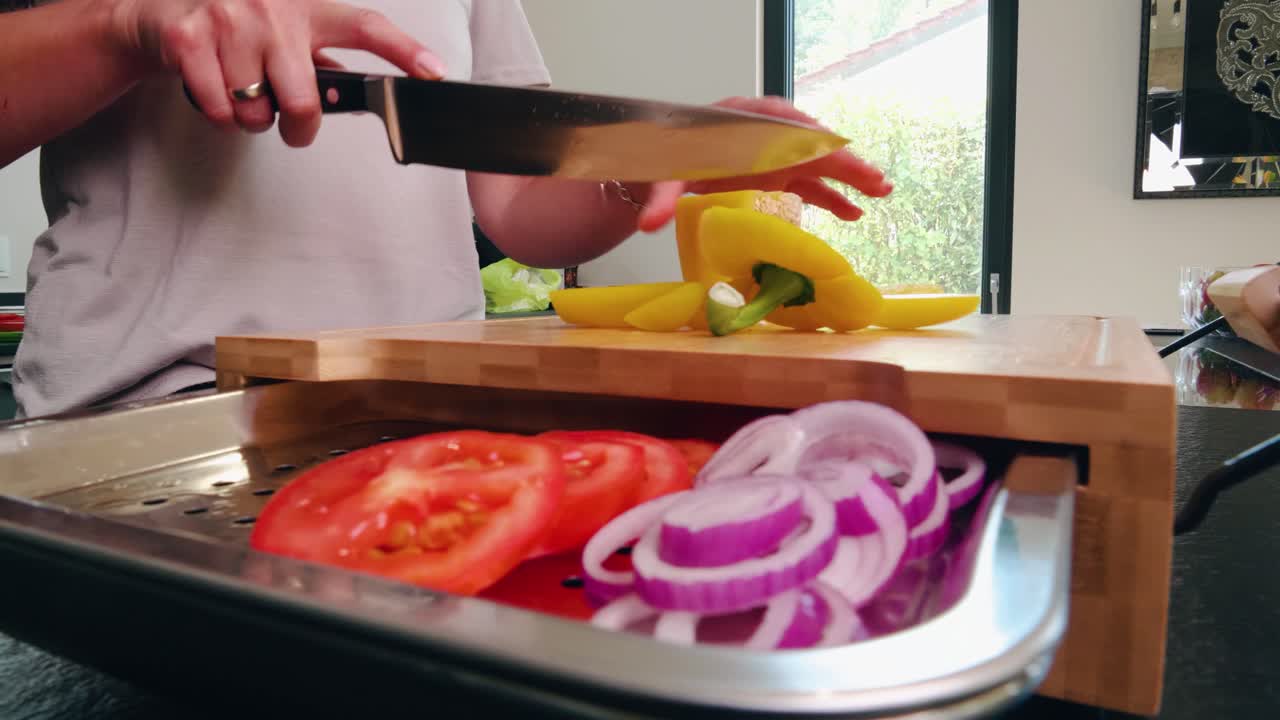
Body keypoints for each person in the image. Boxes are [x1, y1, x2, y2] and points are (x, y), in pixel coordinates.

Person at [0, 0, 893, 419]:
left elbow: (515, 203)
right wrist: (123, 27)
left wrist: (660, 159)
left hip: (425, 405)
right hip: (143, 417)